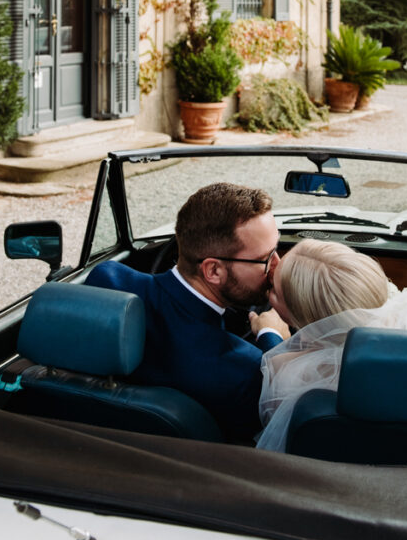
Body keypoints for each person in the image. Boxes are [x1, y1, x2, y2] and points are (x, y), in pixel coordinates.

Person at [85, 182, 290, 440]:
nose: (277, 265)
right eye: (266, 258)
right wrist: (273, 335)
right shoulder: (243, 372)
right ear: (213, 271)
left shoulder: (108, 280)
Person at [256, 239, 407, 452]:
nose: (269, 286)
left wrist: (273, 335)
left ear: (301, 319)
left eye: (274, 291)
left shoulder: (284, 373)